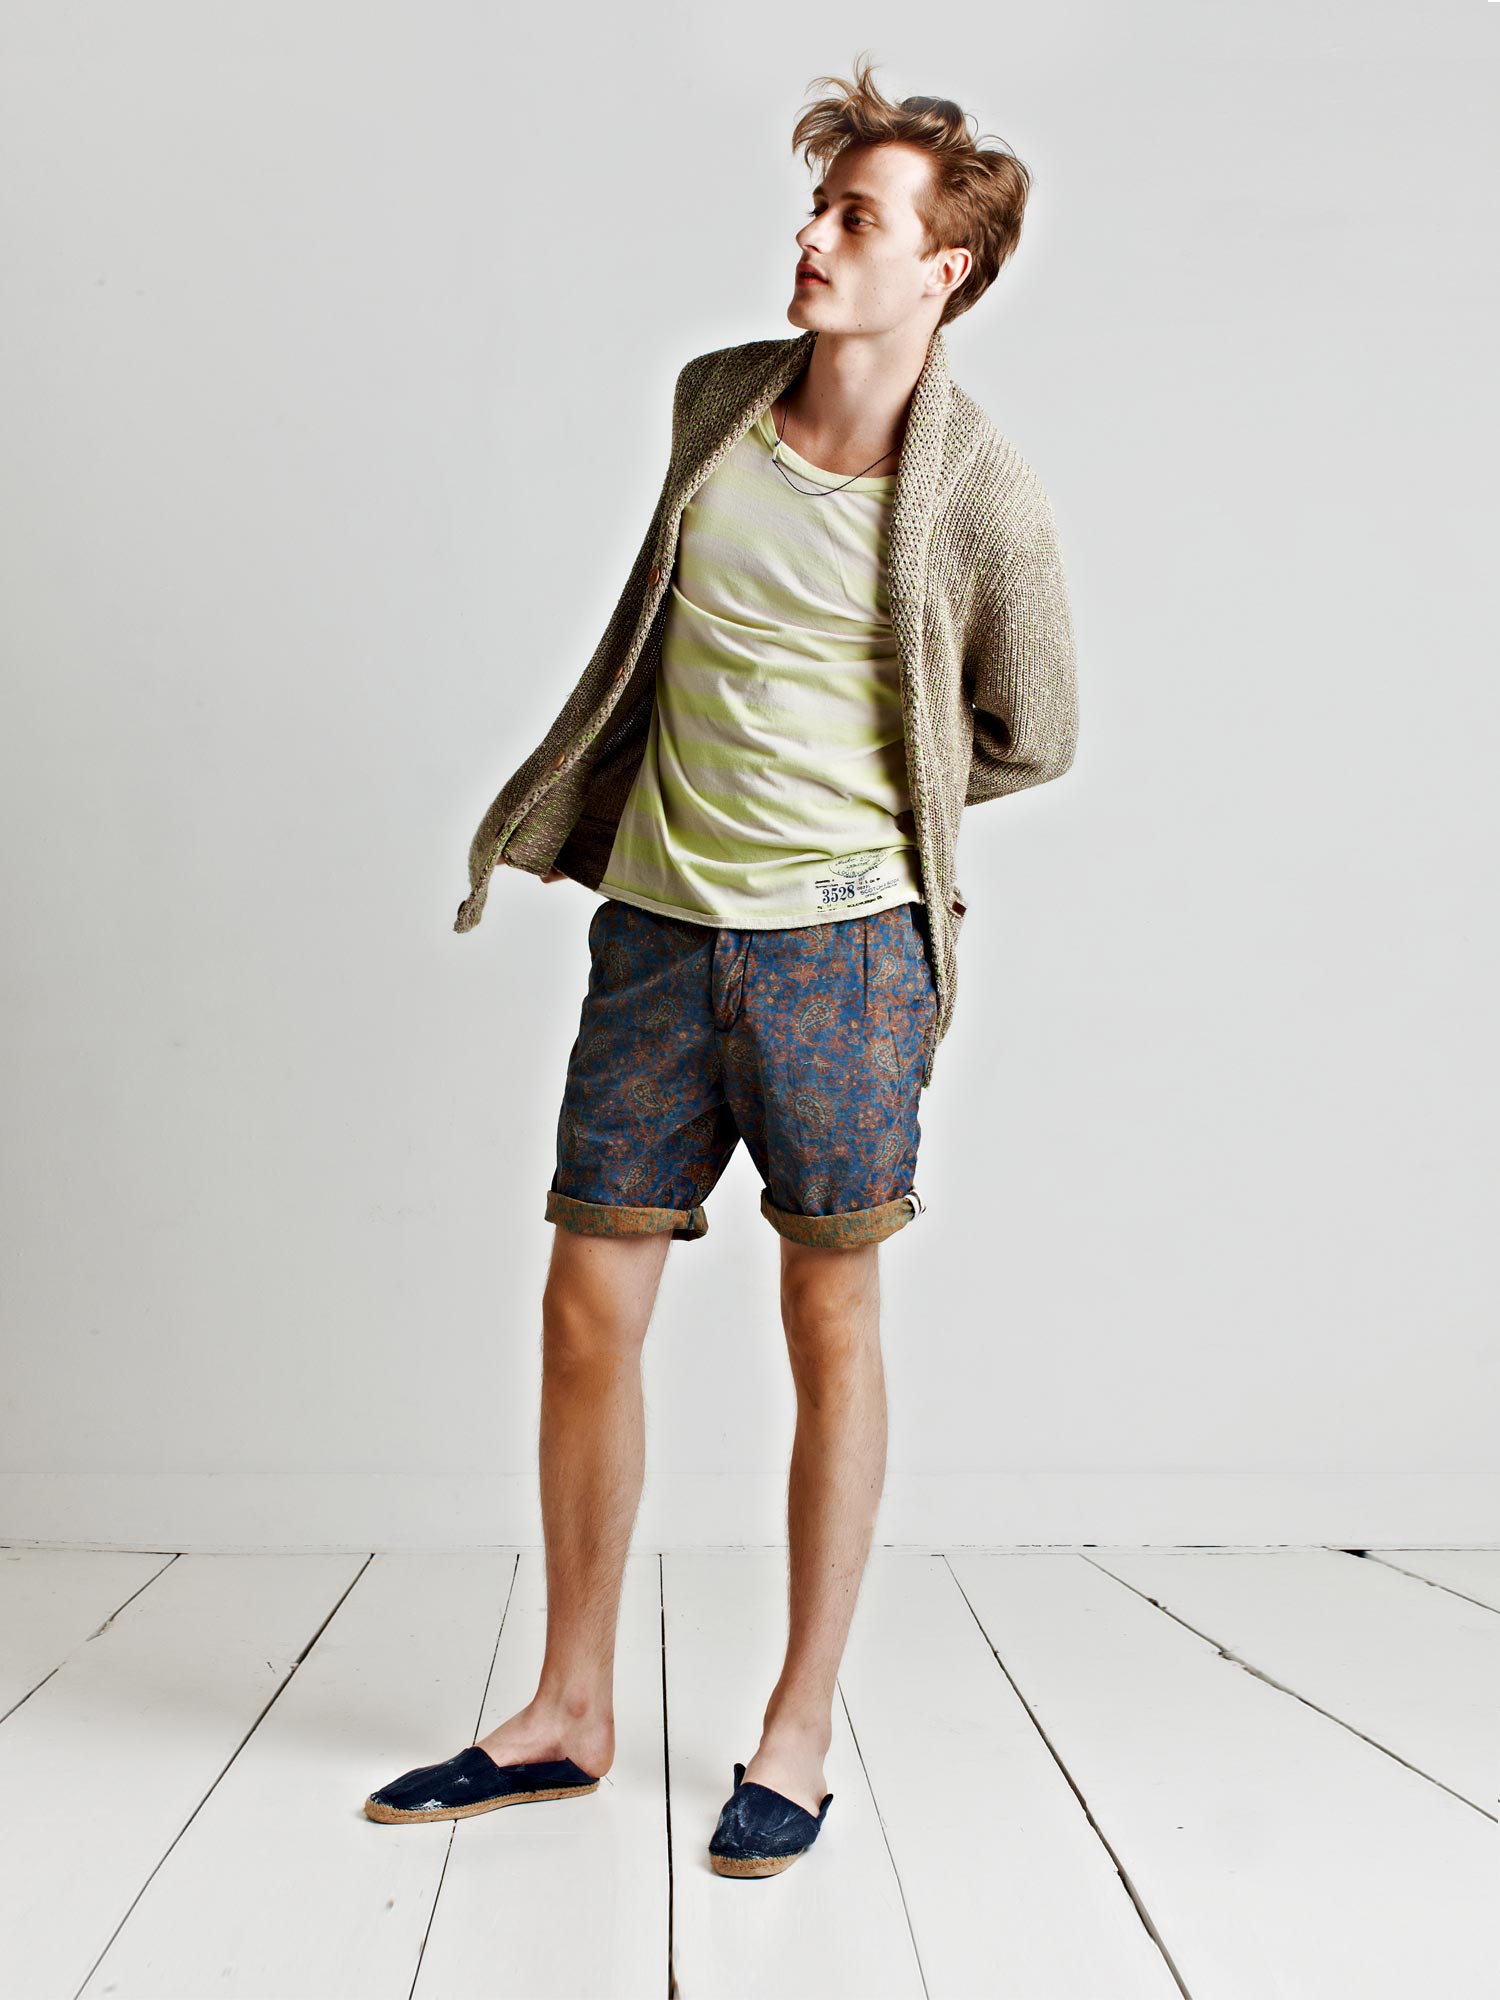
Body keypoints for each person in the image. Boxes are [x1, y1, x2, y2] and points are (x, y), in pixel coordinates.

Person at [365, 54, 1079, 1877]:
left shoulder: (981, 491)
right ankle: (568, 1710)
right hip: (658, 938)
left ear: (944, 269)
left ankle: (798, 1730)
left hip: (845, 961)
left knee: (827, 1322)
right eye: (818, 204)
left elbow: (1035, 728)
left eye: (858, 217)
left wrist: (873, 823)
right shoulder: (716, 402)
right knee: (585, 1309)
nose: (815, 236)